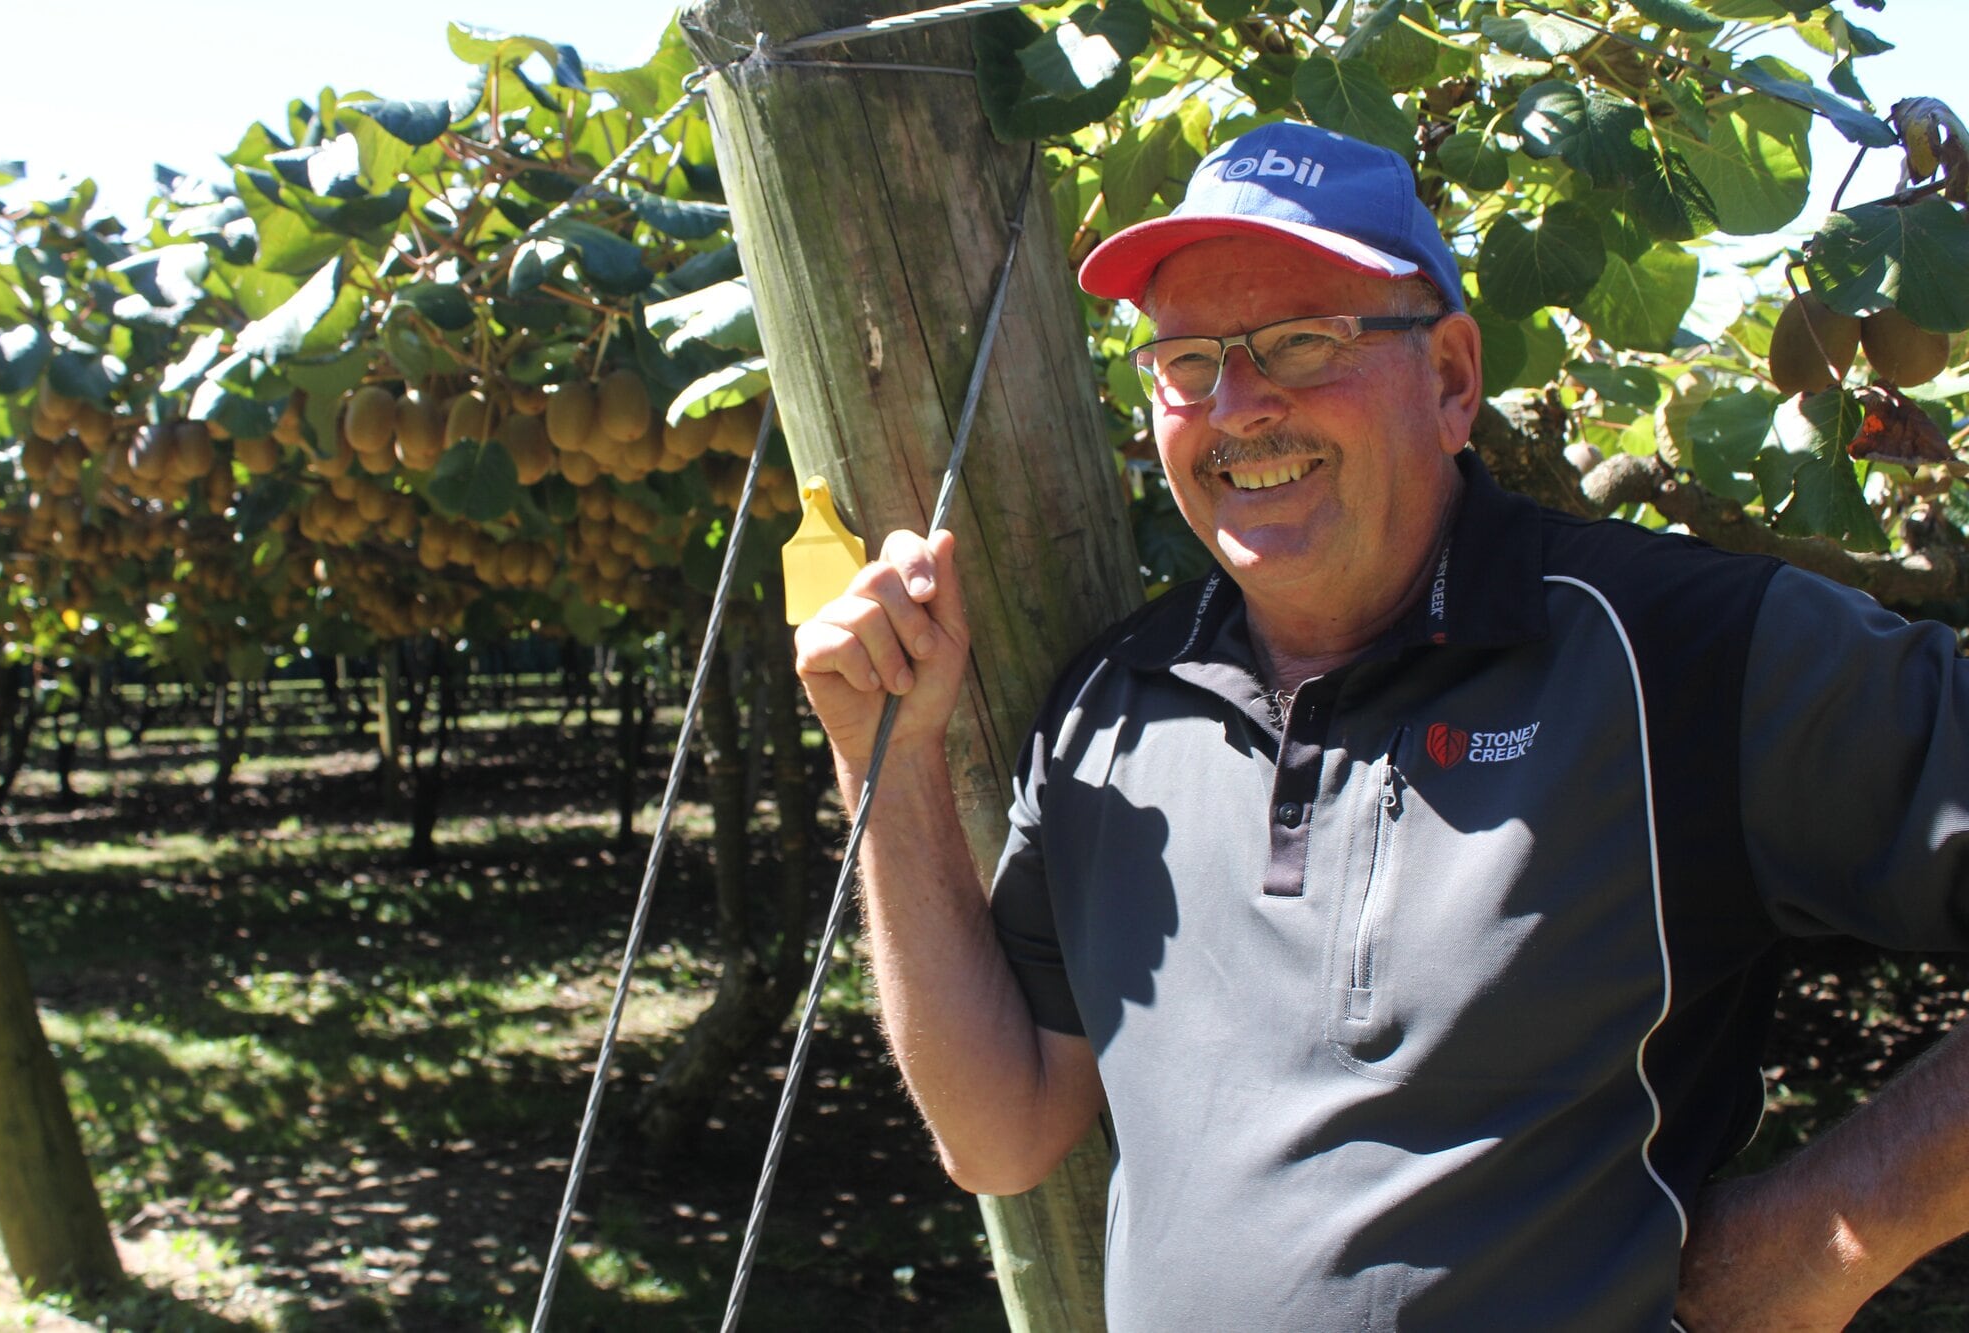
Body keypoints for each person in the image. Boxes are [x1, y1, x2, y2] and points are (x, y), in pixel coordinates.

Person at [793, 121, 1969, 1330]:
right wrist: (888, 757)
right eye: (1187, 361)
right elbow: (998, 1133)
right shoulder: (1110, 706)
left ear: (1452, 378)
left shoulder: (1683, 653)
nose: (1237, 407)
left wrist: (1824, 1237)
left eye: (1303, 342)